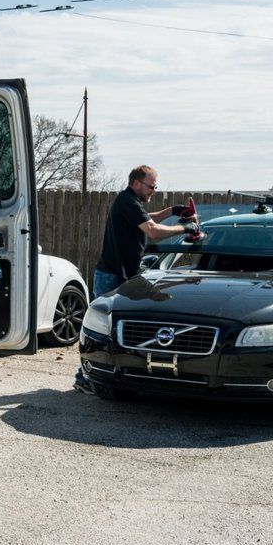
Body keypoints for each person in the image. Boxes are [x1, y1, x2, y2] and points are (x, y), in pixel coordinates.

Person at [74, 165, 200, 394]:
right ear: (136, 183)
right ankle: (84, 377)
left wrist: (171, 210)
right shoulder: (127, 200)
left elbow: (146, 219)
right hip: (111, 276)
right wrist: (185, 227)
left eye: (155, 186)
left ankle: (107, 374)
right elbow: (152, 230)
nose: (153, 190)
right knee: (100, 330)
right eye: (151, 186)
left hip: (124, 275)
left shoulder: (129, 202)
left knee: (120, 329)